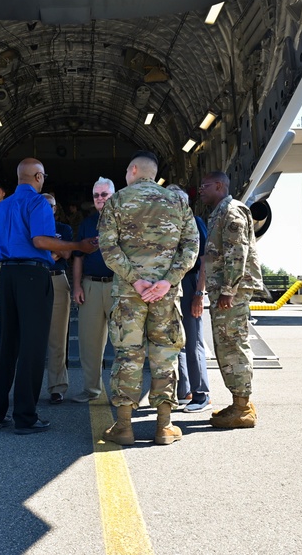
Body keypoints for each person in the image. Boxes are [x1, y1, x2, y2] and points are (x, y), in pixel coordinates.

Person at [0, 158, 96, 435]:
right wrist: (77, 245)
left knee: (7, 345)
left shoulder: (1, 208)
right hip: (33, 276)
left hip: (7, 275)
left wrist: (12, 252)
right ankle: (25, 416)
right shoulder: (38, 203)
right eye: (43, 175)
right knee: (33, 347)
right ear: (37, 176)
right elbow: (41, 240)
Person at [98, 151, 199, 446]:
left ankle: (124, 427)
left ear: (133, 170)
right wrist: (167, 281)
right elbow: (191, 247)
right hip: (165, 296)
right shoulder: (178, 201)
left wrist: (136, 279)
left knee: (128, 355)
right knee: (164, 355)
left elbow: (108, 248)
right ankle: (164, 427)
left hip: (130, 294)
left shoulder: (117, 200)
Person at [197, 170, 263, 429]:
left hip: (230, 292)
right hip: (225, 290)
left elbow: (238, 251)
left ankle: (242, 408)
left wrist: (228, 289)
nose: (200, 191)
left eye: (204, 186)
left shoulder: (231, 210)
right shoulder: (220, 212)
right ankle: (240, 401)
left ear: (218, 186)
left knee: (232, 344)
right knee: (226, 343)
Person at [69, 177, 115, 403]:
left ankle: (123, 392)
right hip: (91, 286)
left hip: (119, 286)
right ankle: (91, 389)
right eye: (96, 195)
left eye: (104, 194)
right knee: (89, 343)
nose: (100, 199)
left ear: (113, 196)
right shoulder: (87, 223)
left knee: (126, 342)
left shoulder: (126, 220)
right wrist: (77, 286)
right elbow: (78, 256)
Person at [167, 184, 212, 413]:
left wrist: (199, 294)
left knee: (193, 339)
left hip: (190, 281)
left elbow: (204, 260)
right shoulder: (168, 225)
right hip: (172, 284)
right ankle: (184, 391)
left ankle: (201, 393)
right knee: (177, 340)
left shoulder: (195, 222)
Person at [42, 193, 72, 404]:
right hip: (36, 279)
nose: (47, 208)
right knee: (32, 337)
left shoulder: (64, 229)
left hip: (57, 281)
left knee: (57, 338)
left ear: (55, 208)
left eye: (50, 205)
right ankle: (30, 385)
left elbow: (68, 253)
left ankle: (57, 387)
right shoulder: (30, 226)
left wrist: (48, 254)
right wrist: (56, 251)